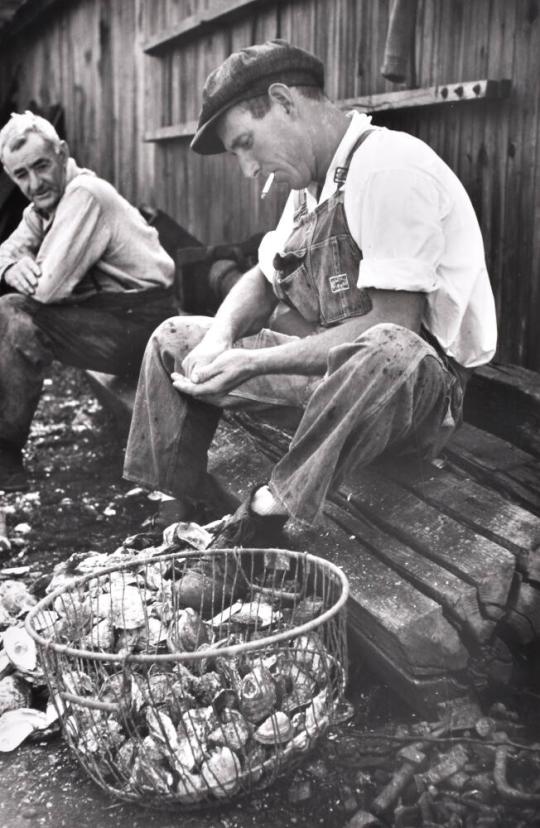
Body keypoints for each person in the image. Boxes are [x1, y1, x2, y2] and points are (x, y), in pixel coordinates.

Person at [123, 39, 497, 551]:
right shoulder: (310, 186)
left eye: (245, 144)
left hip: (413, 400)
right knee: (175, 339)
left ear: (284, 102)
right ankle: (173, 517)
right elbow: (261, 277)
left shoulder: (388, 168)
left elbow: (395, 327)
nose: (248, 169)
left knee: (392, 347)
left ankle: (263, 515)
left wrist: (255, 364)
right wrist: (221, 339)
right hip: (332, 384)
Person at [0, 112, 176, 492]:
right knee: (13, 305)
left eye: (41, 165)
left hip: (146, 329)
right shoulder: (44, 206)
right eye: (20, 175)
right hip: (112, 319)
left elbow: (47, 290)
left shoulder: (84, 195)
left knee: (14, 312)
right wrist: (12, 265)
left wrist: (22, 270)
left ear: (62, 153)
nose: (33, 183)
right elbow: (5, 252)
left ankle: (5, 454)